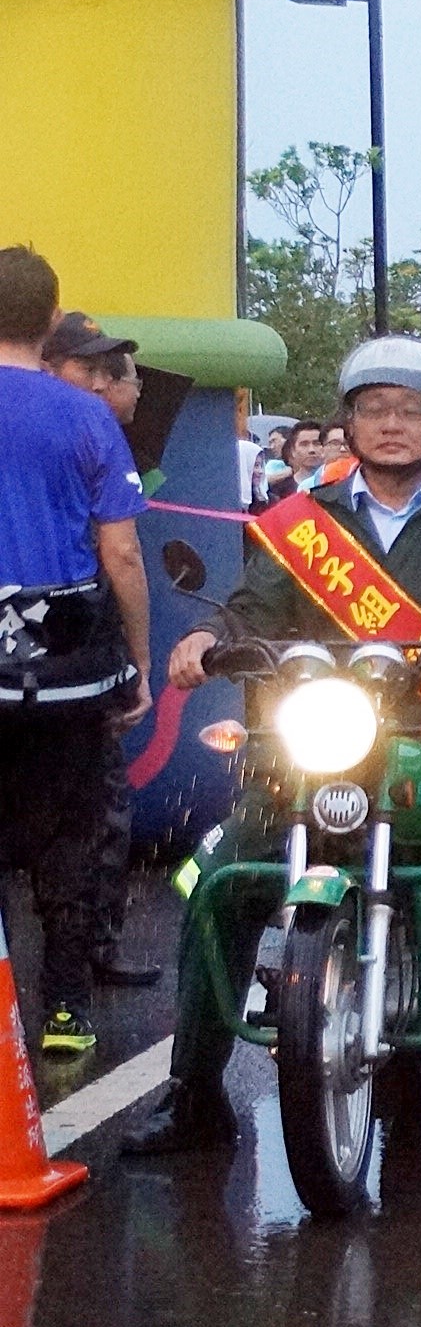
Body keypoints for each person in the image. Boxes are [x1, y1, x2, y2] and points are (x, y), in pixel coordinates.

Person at [125, 335, 421, 1159]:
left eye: (410, 410)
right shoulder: (303, 523)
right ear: (348, 422)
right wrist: (207, 636)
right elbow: (249, 608)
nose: (390, 425)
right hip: (320, 735)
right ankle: (194, 1092)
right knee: (220, 880)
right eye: (373, 409)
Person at [0, 254, 153, 1056]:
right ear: (49, 316)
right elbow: (121, 555)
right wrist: (139, 660)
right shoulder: (85, 414)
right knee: (73, 829)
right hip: (64, 660)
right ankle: (62, 1011)